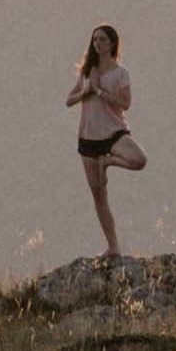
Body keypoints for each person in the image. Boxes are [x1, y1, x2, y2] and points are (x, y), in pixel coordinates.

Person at [67, 26, 146, 256]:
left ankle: (109, 162)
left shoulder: (120, 73)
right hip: (88, 137)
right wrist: (86, 91)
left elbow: (125, 103)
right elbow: (69, 100)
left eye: (102, 39)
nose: (97, 43)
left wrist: (100, 91)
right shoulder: (86, 72)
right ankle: (113, 246)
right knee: (99, 194)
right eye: (94, 39)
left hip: (113, 133)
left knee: (139, 159)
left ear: (112, 44)